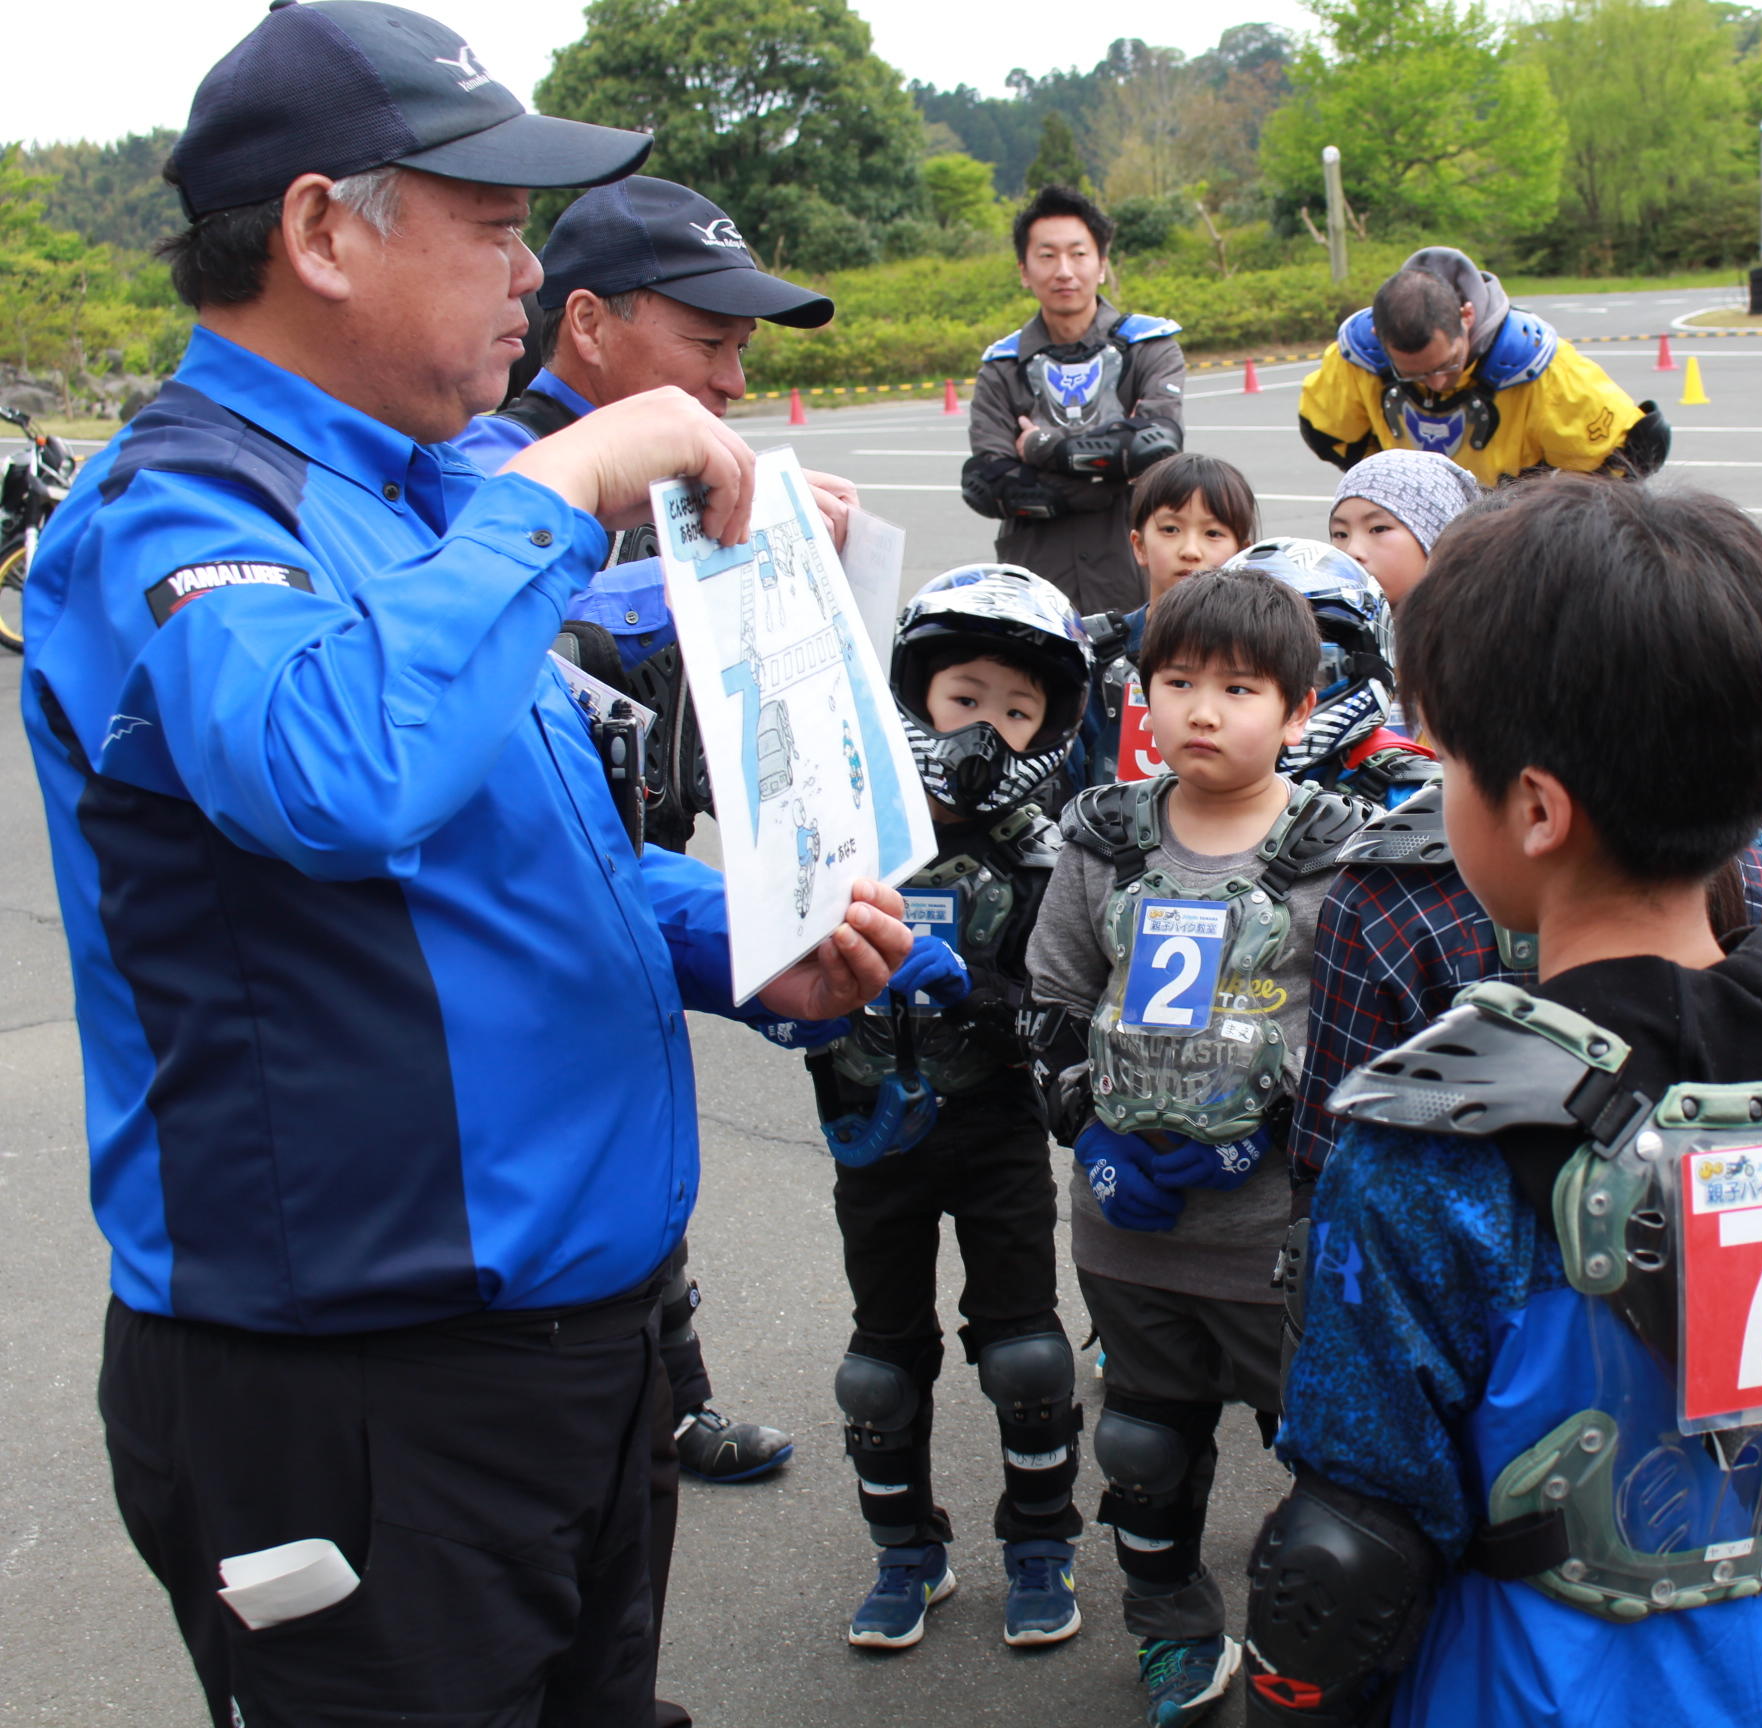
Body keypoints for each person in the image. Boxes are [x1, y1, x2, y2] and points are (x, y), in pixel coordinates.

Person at [19, 6, 914, 1722]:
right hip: (357, 1383)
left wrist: (736, 934)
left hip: (573, 1354)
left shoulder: (424, 492)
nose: (531, 272)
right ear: (319, 231)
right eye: (494, 224)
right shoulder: (182, 505)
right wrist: (576, 471)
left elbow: (501, 859)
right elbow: (341, 776)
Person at [1243, 476, 1762, 1727]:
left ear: (1538, 808)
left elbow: (1353, 1548)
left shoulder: (1435, 1140)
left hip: (1524, 1689)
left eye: (1447, 761)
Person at [454, 172, 850, 1487]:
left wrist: (779, 548)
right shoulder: (498, 475)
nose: (734, 383)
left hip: (643, 857)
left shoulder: (672, 481)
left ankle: (670, 1403)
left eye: (744, 351)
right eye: (710, 343)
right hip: (533, 917)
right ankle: (647, 1411)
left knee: (637, 1153)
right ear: (587, 323)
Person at [1025, 566, 1374, 1725]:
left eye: (1238, 688)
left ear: (1300, 705)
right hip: (1127, 1226)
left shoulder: (1338, 853)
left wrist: (1269, 1140)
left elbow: (1359, 1035)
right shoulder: (1107, 839)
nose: (1203, 712)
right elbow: (1054, 1000)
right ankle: (1173, 1627)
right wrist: (1091, 1131)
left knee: (1327, 1458)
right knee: (1142, 1445)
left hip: (1272, 1234)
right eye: (1177, 683)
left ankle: (1319, 1629)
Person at [807, 566, 1096, 1654]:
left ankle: (1039, 1542)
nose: (988, 729)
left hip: (995, 1131)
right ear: (917, 694)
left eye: (1018, 711)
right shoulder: (848, 833)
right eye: (966, 698)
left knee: (1026, 1356)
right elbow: (772, 958)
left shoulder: (1046, 853)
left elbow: (1069, 1000)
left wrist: (986, 998)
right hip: (871, 1127)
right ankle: (905, 1555)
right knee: (879, 1366)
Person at [963, 185, 1186, 615]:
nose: (1064, 270)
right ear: (1024, 271)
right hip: (1035, 576)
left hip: (1134, 569)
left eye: (1078, 254)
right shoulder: (1002, 365)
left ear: (1101, 265)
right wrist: (1111, 469)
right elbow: (988, 483)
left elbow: (1155, 446)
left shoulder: (1148, 347)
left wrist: (1042, 449)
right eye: (1047, 256)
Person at [1296, 246, 1668, 487]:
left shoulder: (1540, 368)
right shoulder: (1359, 359)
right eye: (1415, 375)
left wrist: (1543, 512)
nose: (1438, 384)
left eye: (1447, 364)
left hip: (1511, 532)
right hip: (1412, 528)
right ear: (1379, 336)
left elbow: (1628, 452)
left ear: (1467, 315)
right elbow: (1328, 432)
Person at [1072, 451, 1259, 791]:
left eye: (1213, 533)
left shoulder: (1263, 654)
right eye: (1171, 529)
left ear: (1243, 551)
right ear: (1139, 545)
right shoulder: (1095, 651)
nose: (1190, 550)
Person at [1220, 537, 1436, 808]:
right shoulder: (1189, 785)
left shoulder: (1408, 791)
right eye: (1239, 681)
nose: (1285, 690)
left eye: (1313, 668)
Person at [1325, 447, 1482, 607]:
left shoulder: (1487, 627)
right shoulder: (1316, 625)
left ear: (1439, 537)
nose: (1352, 552)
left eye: (1378, 529)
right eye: (1340, 534)